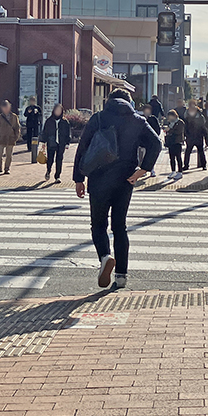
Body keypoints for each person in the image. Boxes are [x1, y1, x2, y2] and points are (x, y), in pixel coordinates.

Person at [73, 89, 162, 290]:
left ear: (109, 101)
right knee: (119, 226)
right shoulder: (137, 120)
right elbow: (156, 143)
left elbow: (83, 147)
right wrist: (144, 169)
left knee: (98, 224)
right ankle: (121, 276)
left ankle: (105, 257)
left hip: (98, 178)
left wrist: (79, 179)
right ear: (129, 101)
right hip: (125, 179)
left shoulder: (97, 118)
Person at [39, 103, 70, 183]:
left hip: (61, 143)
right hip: (51, 142)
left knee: (59, 159)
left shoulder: (64, 122)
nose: (58, 112)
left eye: (59, 110)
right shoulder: (49, 121)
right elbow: (45, 132)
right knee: (50, 159)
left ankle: (57, 176)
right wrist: (43, 142)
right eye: (56, 110)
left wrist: (67, 143)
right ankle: (48, 171)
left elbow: (68, 133)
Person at [0, 99, 21, 175]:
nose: (6, 108)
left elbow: (17, 128)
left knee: (9, 155)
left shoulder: (14, 117)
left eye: (7, 106)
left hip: (11, 138)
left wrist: (16, 137)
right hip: (1, 139)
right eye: (4, 107)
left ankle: (7, 169)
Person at [182, 101, 208, 170]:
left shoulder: (200, 116)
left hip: (198, 136)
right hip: (190, 136)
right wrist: (185, 135)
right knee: (188, 152)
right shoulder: (186, 116)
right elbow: (185, 127)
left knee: (201, 151)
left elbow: (203, 127)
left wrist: (206, 137)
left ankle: (204, 165)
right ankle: (186, 165)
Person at [163, 109, 185, 179]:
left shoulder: (180, 122)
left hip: (177, 142)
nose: (170, 118)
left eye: (171, 116)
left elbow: (179, 131)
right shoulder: (170, 123)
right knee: (171, 157)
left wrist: (170, 130)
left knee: (178, 157)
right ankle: (173, 171)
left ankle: (180, 172)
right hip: (170, 142)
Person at [141, 104, 160, 178]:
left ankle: (152, 170)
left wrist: (156, 137)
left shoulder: (153, 119)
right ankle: (143, 171)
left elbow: (157, 128)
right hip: (142, 141)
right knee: (142, 156)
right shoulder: (141, 118)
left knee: (151, 156)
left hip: (151, 141)